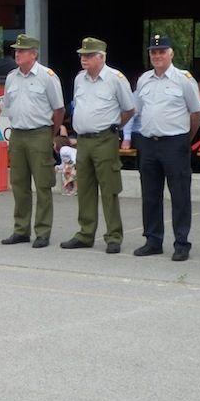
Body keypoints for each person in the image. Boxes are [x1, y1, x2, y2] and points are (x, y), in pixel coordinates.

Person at [121, 34, 200, 261]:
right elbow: (136, 111)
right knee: (150, 195)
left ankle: (181, 243)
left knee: (179, 195)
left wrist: (185, 139)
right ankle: (153, 240)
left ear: (171, 54)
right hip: (148, 143)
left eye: (162, 51)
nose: (157, 56)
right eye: (153, 52)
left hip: (175, 142)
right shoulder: (144, 79)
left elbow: (196, 114)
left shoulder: (184, 79)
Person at [60, 37, 135, 254]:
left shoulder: (115, 78)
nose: (83, 59)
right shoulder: (79, 79)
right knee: (85, 187)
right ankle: (85, 233)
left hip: (104, 138)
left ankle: (113, 236)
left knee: (109, 188)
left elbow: (129, 109)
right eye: (82, 55)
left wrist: (114, 128)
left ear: (101, 57)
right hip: (83, 140)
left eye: (89, 55)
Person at [1, 34, 65, 248]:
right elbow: (9, 105)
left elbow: (59, 109)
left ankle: (43, 231)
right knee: (19, 184)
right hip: (17, 134)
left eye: (22, 51)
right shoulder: (11, 77)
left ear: (34, 54)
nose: (17, 54)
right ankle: (21, 229)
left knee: (43, 185)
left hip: (40, 133)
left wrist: (51, 134)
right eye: (16, 51)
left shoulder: (47, 76)